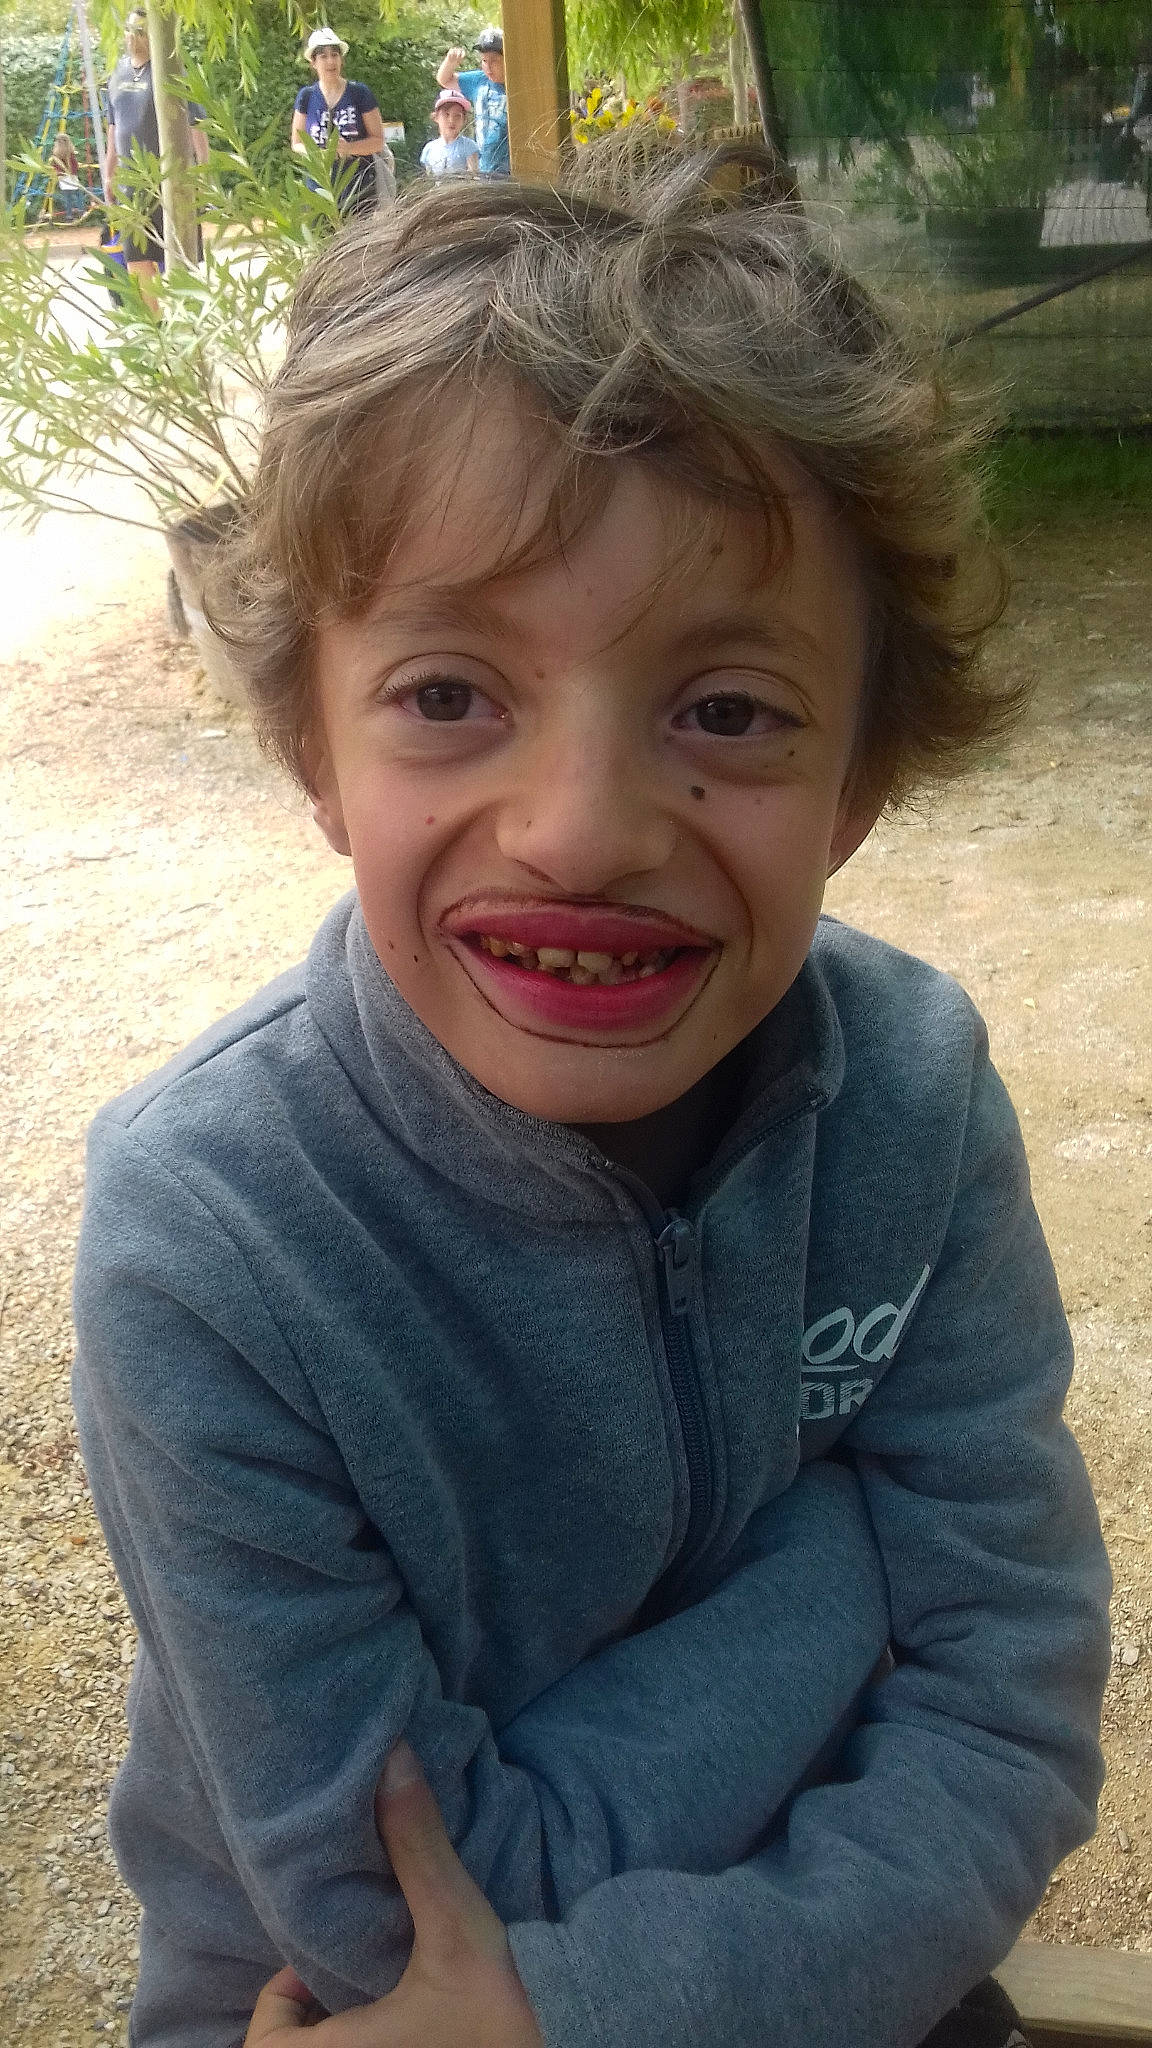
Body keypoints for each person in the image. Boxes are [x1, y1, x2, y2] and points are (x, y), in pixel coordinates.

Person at [73, 146, 1110, 2048]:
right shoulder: (208, 1231)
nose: (577, 828)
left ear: (856, 784)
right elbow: (388, 1915)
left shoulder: (911, 1097)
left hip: (833, 1985)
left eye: (725, 711)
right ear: (315, 746)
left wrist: (583, 1998)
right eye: (451, 691)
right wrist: (847, 1576)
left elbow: (1015, 1710)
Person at [104, 9, 208, 275]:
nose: (132, 37)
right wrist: (108, 174)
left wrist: (202, 178)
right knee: (135, 260)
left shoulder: (171, 72)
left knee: (181, 260)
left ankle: (182, 315)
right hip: (132, 186)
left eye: (140, 31)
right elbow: (114, 129)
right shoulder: (118, 73)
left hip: (170, 182)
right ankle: (154, 318)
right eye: (129, 30)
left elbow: (196, 127)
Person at [291, 26, 388, 222]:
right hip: (319, 189)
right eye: (323, 56)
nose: (330, 61)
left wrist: (349, 148)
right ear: (313, 62)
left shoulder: (359, 93)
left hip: (358, 189)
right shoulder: (307, 97)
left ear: (341, 59)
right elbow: (296, 143)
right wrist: (318, 153)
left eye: (334, 55)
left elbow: (378, 141)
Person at [436, 26, 508, 176]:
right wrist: (450, 62)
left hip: (510, 168)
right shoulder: (479, 80)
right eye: (484, 60)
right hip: (484, 167)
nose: (488, 67)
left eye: (494, 60)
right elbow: (444, 79)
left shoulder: (517, 83)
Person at [420, 87, 480, 180]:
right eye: (446, 114)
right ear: (436, 117)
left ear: (464, 120)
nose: (451, 120)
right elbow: (427, 179)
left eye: (457, 116)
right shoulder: (429, 149)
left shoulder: (469, 146)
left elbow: (473, 177)